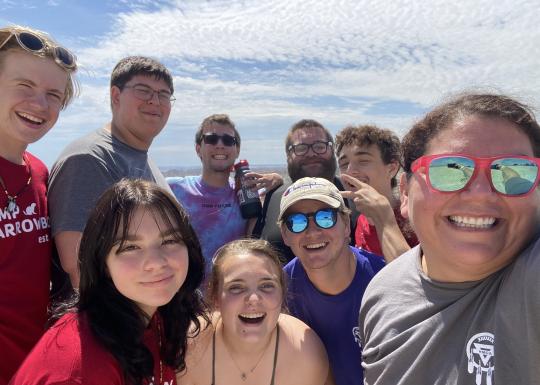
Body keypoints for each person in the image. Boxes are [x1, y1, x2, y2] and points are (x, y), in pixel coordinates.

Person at [359, 93, 540, 385]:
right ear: (404, 193)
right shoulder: (381, 293)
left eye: (514, 173)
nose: (481, 193)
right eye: (450, 170)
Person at [10, 179, 208, 385]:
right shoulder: (80, 371)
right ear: (103, 262)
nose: (156, 263)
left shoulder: (158, 316)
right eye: (130, 247)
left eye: (169, 241)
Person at [48, 56, 175, 288]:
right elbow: (79, 267)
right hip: (108, 321)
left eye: (163, 94)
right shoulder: (89, 159)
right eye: (143, 90)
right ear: (116, 96)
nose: (155, 101)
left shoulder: (143, 160)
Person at [0, 25, 77, 384]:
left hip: (35, 368)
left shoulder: (39, 172)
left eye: (53, 95)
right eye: (24, 87)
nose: (40, 105)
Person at [178, 239, 332, 385]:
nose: (253, 299)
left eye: (266, 286)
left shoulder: (306, 356)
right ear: (216, 298)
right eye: (236, 287)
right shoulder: (190, 348)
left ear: (282, 293)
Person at [279, 177, 385, 385]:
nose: (312, 232)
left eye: (325, 217)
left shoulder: (383, 279)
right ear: (285, 235)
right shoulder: (279, 292)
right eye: (297, 222)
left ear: (346, 225)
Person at [168, 114, 282, 267]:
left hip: (232, 288)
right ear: (198, 149)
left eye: (228, 141)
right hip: (186, 289)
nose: (220, 145)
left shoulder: (249, 195)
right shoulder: (173, 190)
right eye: (211, 139)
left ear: (237, 150)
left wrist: (278, 180)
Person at [253, 119, 357, 263]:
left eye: (320, 146)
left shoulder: (356, 197)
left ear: (332, 151)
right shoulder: (274, 196)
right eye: (301, 148)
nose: (311, 154)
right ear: (288, 156)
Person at [336, 124, 417, 262]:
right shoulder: (361, 221)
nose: (350, 171)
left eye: (363, 161)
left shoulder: (415, 220)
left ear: (392, 169)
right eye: (344, 164)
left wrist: (384, 220)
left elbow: (416, 280)